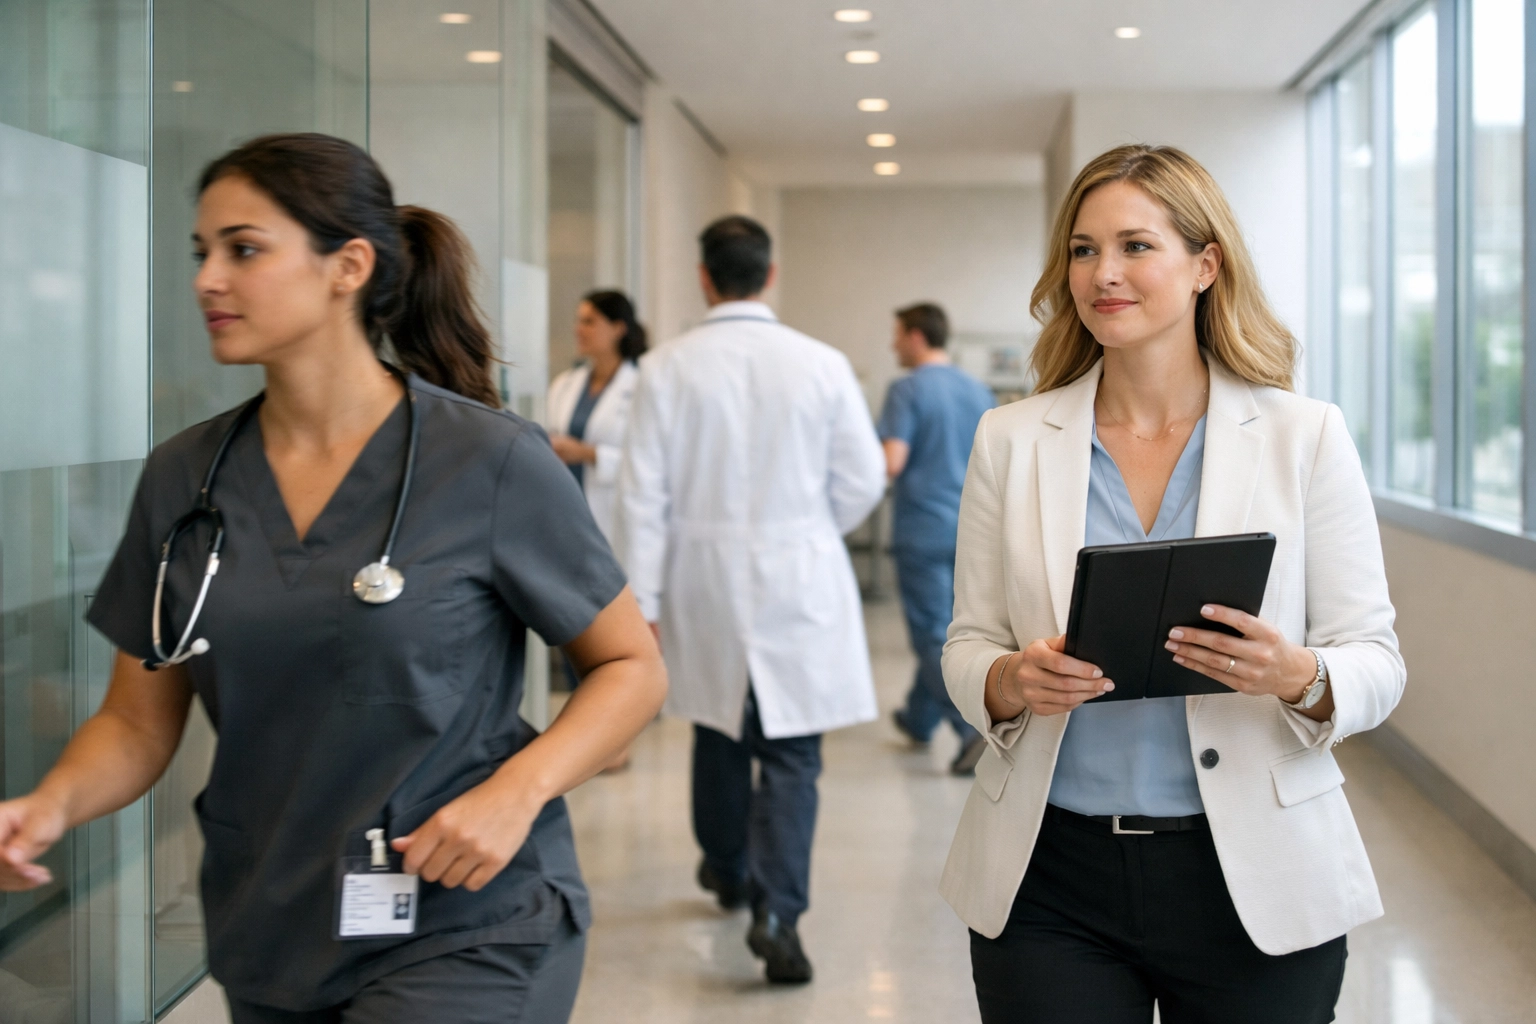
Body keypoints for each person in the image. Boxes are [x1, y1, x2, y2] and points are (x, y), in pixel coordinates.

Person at [0, 133, 667, 1023]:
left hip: (464, 915)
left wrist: (518, 792)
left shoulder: (487, 461)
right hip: (274, 921)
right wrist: (47, 806)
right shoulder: (184, 479)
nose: (207, 279)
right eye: (202, 253)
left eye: (244, 249)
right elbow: (135, 718)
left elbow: (632, 666)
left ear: (348, 266)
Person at [940, 145, 1405, 1023]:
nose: (1103, 274)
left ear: (1204, 264)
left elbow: (1376, 661)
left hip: (1255, 878)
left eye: (1134, 247)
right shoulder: (1010, 439)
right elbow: (968, 644)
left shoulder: (1301, 436)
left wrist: (1298, 676)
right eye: (1082, 250)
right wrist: (1009, 681)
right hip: (1049, 879)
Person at [615, 215, 885, 985]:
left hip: (700, 574)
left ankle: (728, 872)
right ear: (769, 275)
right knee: (794, 754)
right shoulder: (823, 363)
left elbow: (641, 497)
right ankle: (779, 911)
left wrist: (645, 601)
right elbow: (863, 478)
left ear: (705, 277)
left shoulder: (665, 367)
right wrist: (805, 532)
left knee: (719, 728)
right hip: (798, 569)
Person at [877, 302, 994, 775]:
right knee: (946, 628)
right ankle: (918, 718)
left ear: (916, 336)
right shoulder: (979, 390)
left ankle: (970, 731)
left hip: (922, 530)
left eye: (897, 334)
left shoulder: (906, 390)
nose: (893, 344)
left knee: (930, 634)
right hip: (972, 529)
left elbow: (892, 461)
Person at [546, 290, 646, 544]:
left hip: (612, 518)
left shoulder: (640, 389)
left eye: (589, 321)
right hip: (565, 513)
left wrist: (587, 453)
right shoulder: (564, 384)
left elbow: (645, 464)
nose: (578, 329)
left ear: (618, 328)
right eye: (578, 321)